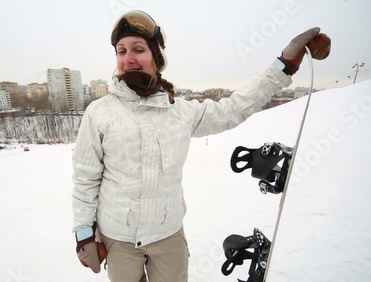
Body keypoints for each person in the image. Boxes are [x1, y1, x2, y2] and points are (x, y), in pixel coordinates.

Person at [72, 10, 330, 282]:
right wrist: (83, 234)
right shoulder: (99, 113)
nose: (128, 58)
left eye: (138, 49)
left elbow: (233, 109)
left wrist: (284, 64)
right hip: (118, 240)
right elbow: (85, 178)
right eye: (121, 51)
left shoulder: (179, 112)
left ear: (157, 59)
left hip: (167, 236)